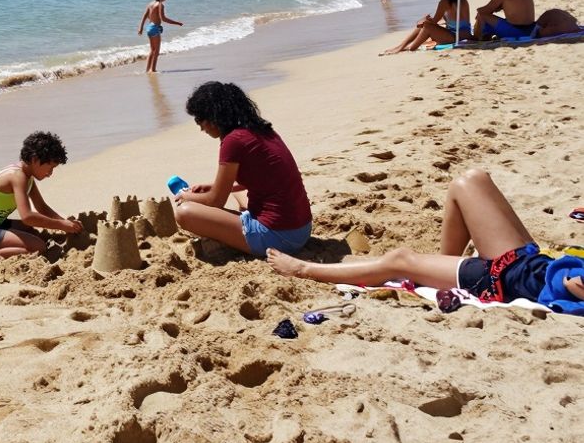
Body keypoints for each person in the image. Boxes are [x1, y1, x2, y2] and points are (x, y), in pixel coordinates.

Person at [267, 169, 584, 315]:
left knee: (399, 259)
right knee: (471, 181)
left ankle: (302, 269)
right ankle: (438, 269)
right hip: (535, 264)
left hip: (506, 280)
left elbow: (573, 288)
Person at [174, 82, 311, 257]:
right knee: (235, 191)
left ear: (214, 117)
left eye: (200, 121)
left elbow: (216, 201)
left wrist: (186, 196)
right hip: (302, 228)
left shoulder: (233, 141)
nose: (201, 128)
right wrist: (214, 186)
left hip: (279, 238)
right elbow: (264, 178)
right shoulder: (261, 130)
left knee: (184, 212)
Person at [0, 131, 84, 266]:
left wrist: (65, 222)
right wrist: (61, 225)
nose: (50, 174)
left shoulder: (27, 177)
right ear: (35, 159)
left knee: (31, 231)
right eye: (50, 167)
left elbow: (41, 207)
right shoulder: (18, 176)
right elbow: (27, 217)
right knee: (38, 246)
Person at [381, 0, 472, 54]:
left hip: (456, 37)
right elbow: (453, 19)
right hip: (464, 34)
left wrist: (423, 21)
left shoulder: (444, 2)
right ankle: (402, 46)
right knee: (426, 22)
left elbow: (433, 23)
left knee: (426, 25)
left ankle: (408, 47)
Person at [137, 0, 183, 74]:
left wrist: (141, 28)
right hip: (155, 28)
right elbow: (163, 19)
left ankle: (147, 70)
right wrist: (177, 23)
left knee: (152, 50)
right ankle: (153, 70)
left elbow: (145, 16)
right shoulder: (160, 5)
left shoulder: (150, 4)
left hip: (149, 27)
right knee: (156, 51)